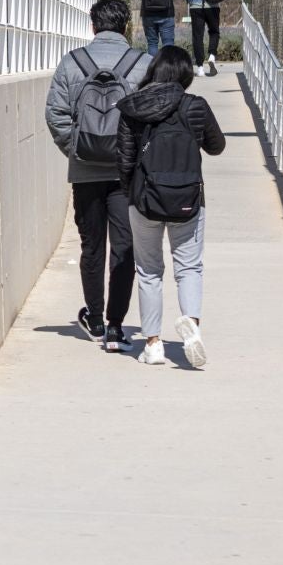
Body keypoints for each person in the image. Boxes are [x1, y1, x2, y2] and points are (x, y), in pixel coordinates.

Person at [45, 0, 150, 352]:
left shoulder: (72, 63)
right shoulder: (142, 64)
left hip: (85, 171)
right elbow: (153, 116)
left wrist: (76, 149)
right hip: (126, 173)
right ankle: (117, 326)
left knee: (92, 246)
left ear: (93, 26)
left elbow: (55, 115)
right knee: (125, 247)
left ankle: (94, 317)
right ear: (126, 26)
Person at [116, 46, 226, 368]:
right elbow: (217, 147)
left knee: (149, 271)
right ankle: (191, 325)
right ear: (185, 75)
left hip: (145, 201)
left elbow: (123, 160)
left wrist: (132, 195)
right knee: (189, 268)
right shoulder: (196, 106)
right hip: (188, 202)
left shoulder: (134, 108)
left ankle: (152, 344)